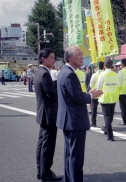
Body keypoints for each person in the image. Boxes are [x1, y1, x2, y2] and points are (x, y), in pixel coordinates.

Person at [56, 46, 102, 182]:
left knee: (69, 154)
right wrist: (90, 95)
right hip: (74, 120)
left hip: (68, 119)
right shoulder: (69, 74)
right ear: (70, 58)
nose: (82, 56)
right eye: (79, 54)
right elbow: (78, 97)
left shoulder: (64, 71)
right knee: (76, 156)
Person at [34, 48, 62, 181]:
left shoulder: (39, 72)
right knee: (48, 144)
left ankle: (41, 171)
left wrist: (55, 84)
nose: (53, 60)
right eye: (51, 57)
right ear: (43, 59)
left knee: (42, 143)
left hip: (43, 112)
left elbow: (47, 89)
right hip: (49, 113)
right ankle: (46, 173)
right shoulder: (45, 74)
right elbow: (51, 95)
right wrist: (61, 89)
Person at [97, 58, 119, 141]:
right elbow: (118, 85)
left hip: (105, 97)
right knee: (111, 115)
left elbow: (99, 87)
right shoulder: (115, 74)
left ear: (104, 66)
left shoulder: (102, 75)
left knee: (107, 117)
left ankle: (110, 136)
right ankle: (106, 129)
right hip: (113, 97)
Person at [89, 61, 104, 127]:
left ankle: (93, 122)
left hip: (95, 93)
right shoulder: (105, 74)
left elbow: (91, 84)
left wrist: (94, 89)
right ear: (104, 66)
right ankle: (106, 124)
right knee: (105, 111)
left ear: (97, 67)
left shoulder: (94, 75)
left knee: (94, 109)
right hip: (103, 93)